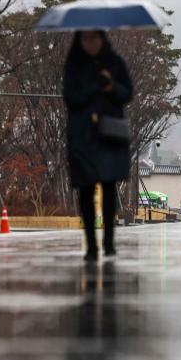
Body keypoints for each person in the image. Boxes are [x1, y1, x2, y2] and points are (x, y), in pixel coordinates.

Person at [63, 31, 133, 261]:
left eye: (94, 38)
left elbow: (127, 94)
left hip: (109, 134)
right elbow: (70, 97)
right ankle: (91, 244)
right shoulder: (74, 65)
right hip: (83, 134)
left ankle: (109, 241)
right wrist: (95, 86)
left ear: (103, 39)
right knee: (85, 187)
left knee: (109, 186)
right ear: (79, 41)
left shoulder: (116, 62)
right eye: (85, 39)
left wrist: (110, 85)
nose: (90, 43)